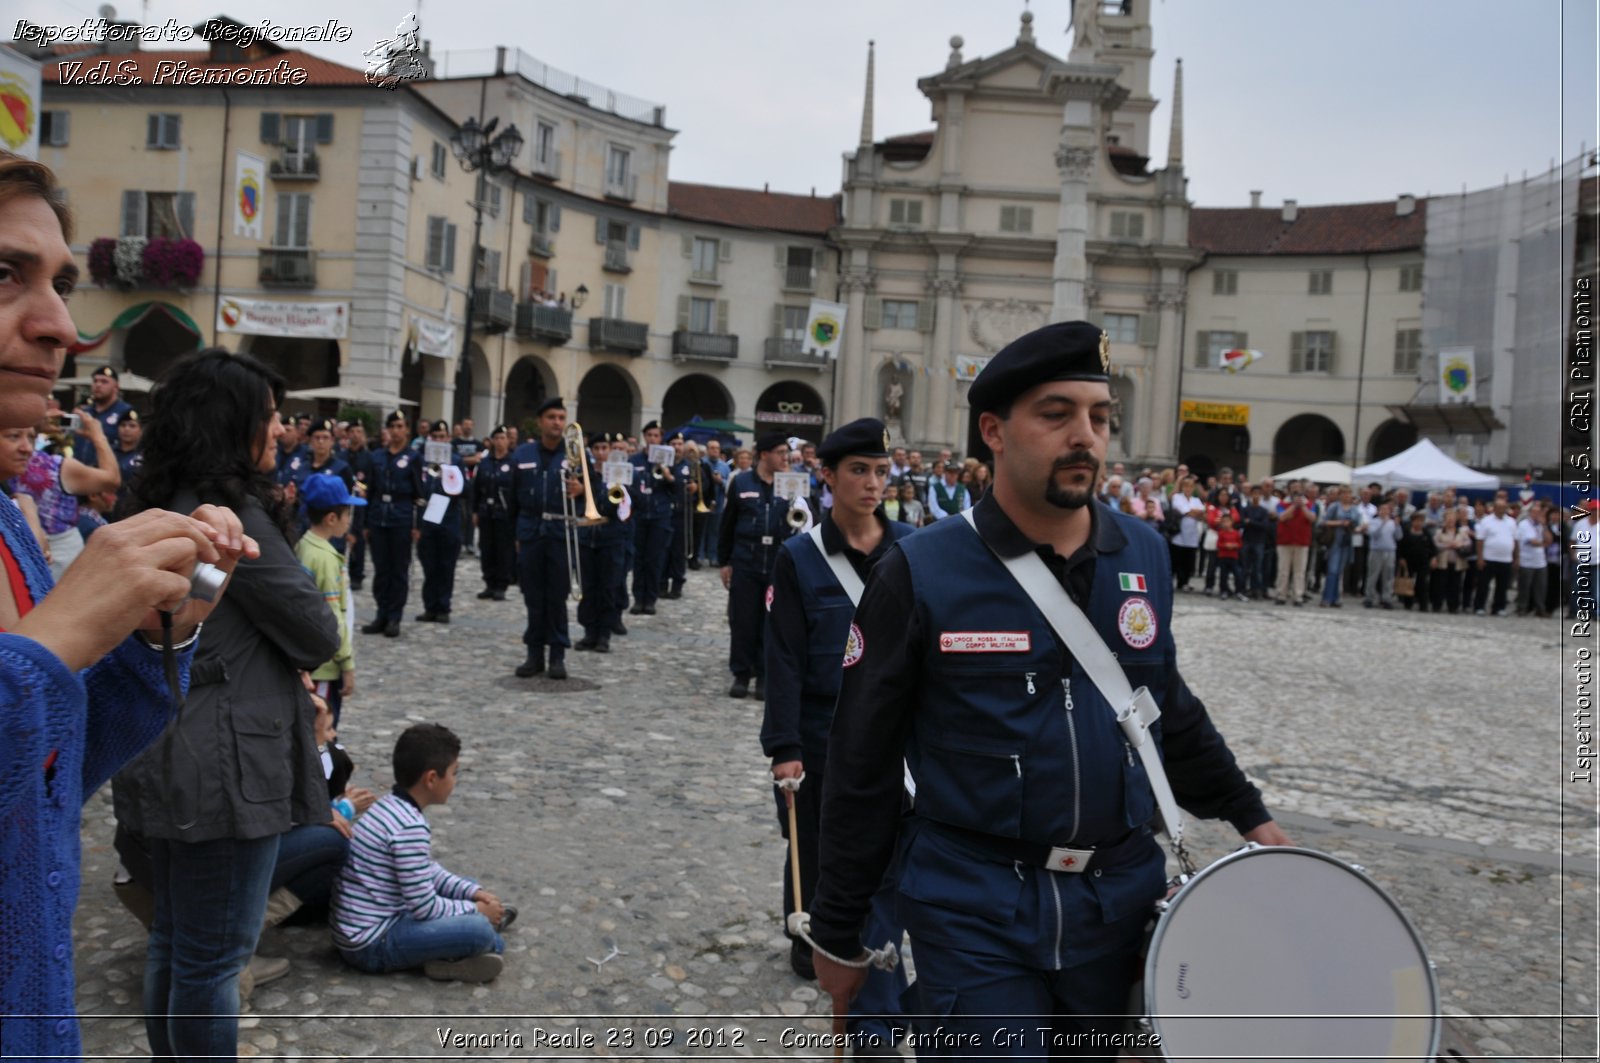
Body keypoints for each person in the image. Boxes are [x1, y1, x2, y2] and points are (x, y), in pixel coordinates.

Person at [809, 321, 1289, 1056]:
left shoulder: (1145, 553)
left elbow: (1162, 707)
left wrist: (1251, 816)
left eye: (1099, 417)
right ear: (995, 431)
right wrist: (840, 932)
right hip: (974, 904)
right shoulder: (921, 571)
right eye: (1056, 413)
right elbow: (861, 763)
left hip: (1117, 904)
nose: (1085, 436)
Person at [0, 151, 257, 1060]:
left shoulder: (7, 520)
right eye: (5, 275)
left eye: (62, 284)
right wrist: (56, 635)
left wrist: (159, 635)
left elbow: (45, 784)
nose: (65, 327)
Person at [113, 347, 339, 1061]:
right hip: (225, 763)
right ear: (231, 423)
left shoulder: (155, 499)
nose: (279, 431)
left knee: (177, 946)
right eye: (268, 418)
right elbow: (315, 630)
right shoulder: (229, 515)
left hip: (169, 747)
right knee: (212, 961)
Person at [761, 418, 912, 1044]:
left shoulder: (909, 547)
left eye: (881, 471)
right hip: (822, 728)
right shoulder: (799, 556)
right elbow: (784, 656)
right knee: (817, 841)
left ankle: (875, 943)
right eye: (859, 470)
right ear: (828, 476)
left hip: (894, 731)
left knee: (894, 850)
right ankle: (812, 933)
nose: (873, 483)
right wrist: (784, 747)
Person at [331, 723, 516, 982]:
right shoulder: (410, 826)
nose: (455, 781)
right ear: (431, 779)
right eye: (454, 773)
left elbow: (427, 871)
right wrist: (476, 911)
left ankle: (473, 927)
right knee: (479, 932)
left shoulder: (390, 805)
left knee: (471, 887)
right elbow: (425, 907)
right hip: (372, 945)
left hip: (380, 919)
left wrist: (472, 893)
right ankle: (455, 955)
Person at [508, 396, 584, 680]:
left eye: (561, 418)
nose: (557, 423)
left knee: (556, 596)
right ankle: (534, 653)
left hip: (560, 533)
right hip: (530, 532)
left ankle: (557, 654)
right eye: (552, 417)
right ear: (540, 421)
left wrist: (581, 491)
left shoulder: (576, 454)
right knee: (533, 596)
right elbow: (514, 499)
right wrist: (515, 535)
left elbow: (595, 492)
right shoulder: (522, 455)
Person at [717, 432, 794, 699]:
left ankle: (764, 675)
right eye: (781, 453)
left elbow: (808, 520)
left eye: (787, 453)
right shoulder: (741, 482)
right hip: (746, 560)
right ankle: (741, 673)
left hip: (777, 562)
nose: (786, 458)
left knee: (771, 621)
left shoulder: (791, 483)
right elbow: (727, 524)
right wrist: (725, 561)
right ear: (765, 455)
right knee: (743, 620)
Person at [10, 407, 120, 578]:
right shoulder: (54, 467)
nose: (25, 448)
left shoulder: (32, 462)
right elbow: (111, 480)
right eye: (13, 436)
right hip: (58, 561)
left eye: (30, 436)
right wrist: (98, 436)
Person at [296, 473, 363, 725]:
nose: (349, 521)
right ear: (331, 518)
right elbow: (332, 614)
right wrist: (346, 662)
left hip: (312, 658)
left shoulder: (305, 545)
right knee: (322, 729)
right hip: (324, 665)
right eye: (347, 515)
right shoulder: (324, 558)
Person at [362, 411, 422, 638]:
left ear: (407, 429)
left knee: (398, 570)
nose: (396, 431)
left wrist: (418, 525)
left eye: (400, 426)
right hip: (379, 517)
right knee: (381, 569)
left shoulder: (413, 457)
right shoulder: (376, 456)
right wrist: (366, 521)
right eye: (392, 426)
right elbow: (370, 490)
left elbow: (419, 495)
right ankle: (381, 613)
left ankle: (395, 616)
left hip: (401, 518)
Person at [576, 431, 627, 653]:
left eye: (604, 448)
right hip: (588, 538)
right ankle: (589, 632)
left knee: (608, 587)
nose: (600, 453)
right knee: (589, 587)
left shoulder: (619, 474)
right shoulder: (584, 475)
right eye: (596, 449)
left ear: (610, 450)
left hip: (611, 537)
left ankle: (604, 634)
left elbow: (628, 503)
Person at [415, 420, 465, 624]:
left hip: (449, 519)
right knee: (429, 566)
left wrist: (448, 473)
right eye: (435, 437)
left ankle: (443, 606)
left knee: (446, 566)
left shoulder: (456, 461)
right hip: (427, 520)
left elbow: (463, 489)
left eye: (442, 437)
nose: (439, 440)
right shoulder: (421, 460)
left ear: (448, 439)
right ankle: (429, 606)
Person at [628, 421, 674, 615]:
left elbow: (676, 489)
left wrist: (667, 475)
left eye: (656, 436)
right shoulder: (635, 460)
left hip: (659, 515)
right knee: (638, 559)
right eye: (650, 435)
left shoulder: (668, 460)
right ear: (645, 437)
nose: (653, 439)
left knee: (655, 559)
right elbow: (628, 486)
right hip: (639, 514)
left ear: (661, 438)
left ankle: (651, 599)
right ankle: (638, 598)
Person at [473, 425, 516, 601]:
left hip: (503, 513)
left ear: (508, 440)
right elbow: (476, 489)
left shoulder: (513, 463)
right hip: (486, 512)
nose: (499, 441)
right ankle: (489, 583)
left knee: (503, 550)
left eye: (502, 438)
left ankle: (501, 585)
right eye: (496, 438)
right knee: (487, 548)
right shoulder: (485, 462)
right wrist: (475, 510)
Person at [340, 419, 373, 590]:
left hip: (360, 501)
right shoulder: (342, 455)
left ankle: (357, 573)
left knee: (358, 535)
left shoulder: (368, 457)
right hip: (345, 498)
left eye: (359, 431)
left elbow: (369, 480)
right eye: (352, 431)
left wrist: (363, 488)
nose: (355, 435)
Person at [1473, 498, 1517, 616]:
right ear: (1494, 508)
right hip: (1489, 558)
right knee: (1483, 584)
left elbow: (1515, 540)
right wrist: (1480, 558)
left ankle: (1498, 607)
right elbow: (1480, 540)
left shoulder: (1511, 522)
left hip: (1505, 559)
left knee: (1502, 586)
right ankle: (1479, 606)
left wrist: (1515, 557)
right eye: (1499, 508)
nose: (1501, 510)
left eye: (1503, 508)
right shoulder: (1486, 521)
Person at [1318, 485, 1358, 607]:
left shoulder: (1354, 509)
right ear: (1340, 495)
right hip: (1335, 541)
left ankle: (1335, 598)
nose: (1347, 496)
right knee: (1332, 570)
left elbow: (1357, 524)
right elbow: (1324, 521)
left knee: (1340, 571)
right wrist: (1340, 523)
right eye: (1344, 493)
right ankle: (1327, 598)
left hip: (1347, 542)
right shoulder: (1334, 507)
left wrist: (1357, 527)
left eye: (1349, 493)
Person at [1361, 501, 1401, 609]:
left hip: (1390, 551)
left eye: (1386, 510)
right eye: (1382, 510)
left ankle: (1386, 598)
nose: (1384, 512)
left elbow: (1398, 537)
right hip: (1376, 550)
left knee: (1388, 576)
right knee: (1373, 574)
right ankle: (1369, 597)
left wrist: (1397, 526)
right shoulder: (1373, 522)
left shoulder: (1392, 523)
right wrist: (1383, 523)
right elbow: (1374, 534)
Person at [1514, 499, 1549, 618]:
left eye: (1539, 512)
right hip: (1526, 560)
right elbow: (1532, 541)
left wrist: (1544, 526)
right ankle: (1521, 608)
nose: (1537, 515)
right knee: (1525, 586)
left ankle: (1540, 608)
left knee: (1541, 587)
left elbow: (1549, 539)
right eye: (1535, 512)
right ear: (1530, 513)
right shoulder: (1524, 524)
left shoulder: (1541, 525)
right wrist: (1543, 543)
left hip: (1540, 561)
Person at [1431, 509, 1471, 614]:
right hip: (1443, 562)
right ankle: (1437, 604)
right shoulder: (1440, 532)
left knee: (1455, 586)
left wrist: (1459, 545)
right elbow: (1435, 544)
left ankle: (1453, 606)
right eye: (1448, 519)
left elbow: (1468, 543)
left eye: (1452, 520)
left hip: (1456, 562)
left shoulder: (1461, 532)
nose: (1450, 522)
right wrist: (1447, 546)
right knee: (1440, 584)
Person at [81, 363, 134, 441]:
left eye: (104, 382)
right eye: (95, 381)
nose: (98, 385)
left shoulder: (125, 412)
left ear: (116, 387)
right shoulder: (86, 412)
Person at [1396, 510, 1436, 612]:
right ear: (1412, 522)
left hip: (1423, 562)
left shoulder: (1426, 533)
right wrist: (1401, 558)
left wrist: (1433, 558)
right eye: (1416, 521)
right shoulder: (1406, 532)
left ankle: (1423, 604)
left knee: (1422, 583)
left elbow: (1432, 547)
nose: (1418, 523)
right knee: (1408, 582)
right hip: (1409, 561)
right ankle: (1408, 603)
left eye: (1420, 521)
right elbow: (1400, 546)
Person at [113, 408, 144, 510]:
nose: (126, 429)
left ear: (141, 430)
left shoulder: (146, 455)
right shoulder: (109, 452)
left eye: (132, 425)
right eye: (123, 425)